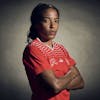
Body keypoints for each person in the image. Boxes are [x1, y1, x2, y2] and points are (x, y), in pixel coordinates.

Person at [22, 3, 84, 100]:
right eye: (46, 21)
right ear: (36, 24)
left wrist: (59, 83)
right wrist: (71, 74)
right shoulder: (33, 49)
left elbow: (80, 82)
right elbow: (55, 87)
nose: (53, 25)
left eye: (56, 21)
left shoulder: (61, 49)